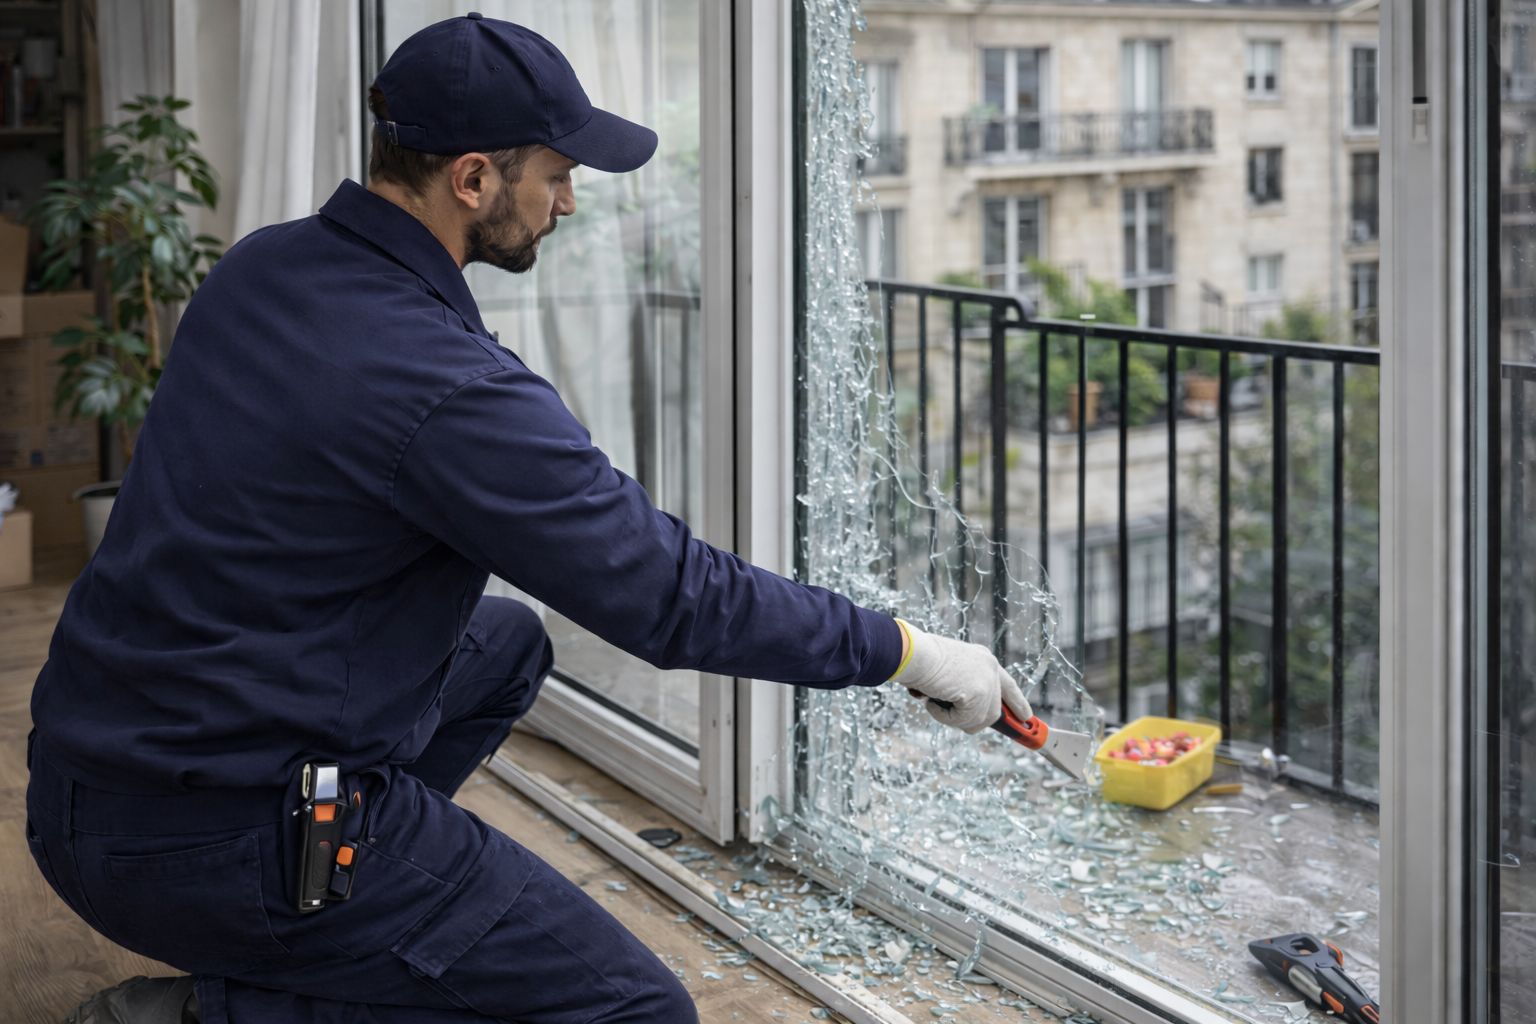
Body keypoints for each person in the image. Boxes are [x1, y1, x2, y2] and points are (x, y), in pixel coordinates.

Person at [25, 14, 1030, 1024]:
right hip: (201, 835)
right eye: (553, 173)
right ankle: (236, 995)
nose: (568, 200)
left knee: (506, 643)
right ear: (471, 180)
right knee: (637, 1009)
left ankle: (330, 928)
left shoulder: (263, 266)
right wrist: (904, 650)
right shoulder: (442, 386)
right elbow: (670, 597)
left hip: (89, 773)